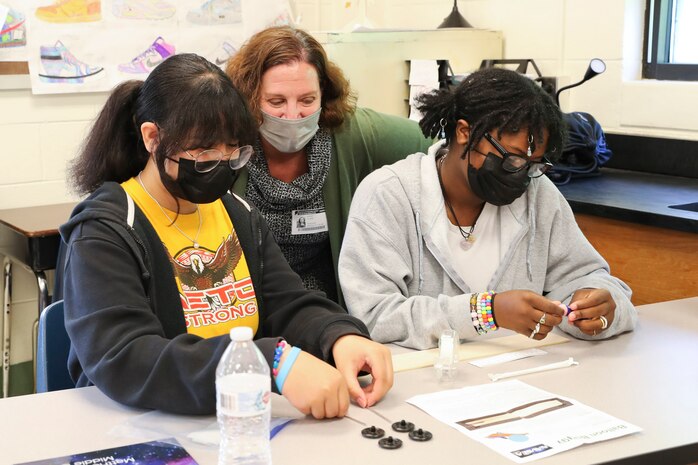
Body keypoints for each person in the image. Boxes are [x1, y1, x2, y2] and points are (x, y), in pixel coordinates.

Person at [57, 53, 393, 417]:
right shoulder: (106, 230)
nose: (221, 163)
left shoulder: (236, 212)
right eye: (203, 153)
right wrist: (268, 363)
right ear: (153, 138)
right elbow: (127, 357)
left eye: (233, 150)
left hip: (236, 418)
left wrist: (339, 335)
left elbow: (288, 301)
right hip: (140, 422)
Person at [338, 67, 637, 350]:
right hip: (419, 385)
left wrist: (601, 306)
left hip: (516, 378)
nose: (522, 174)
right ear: (464, 132)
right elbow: (375, 316)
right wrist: (485, 312)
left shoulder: (538, 195)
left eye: (534, 165)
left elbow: (587, 276)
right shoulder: (388, 196)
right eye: (513, 159)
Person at [225, 26, 431, 305]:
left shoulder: (350, 133)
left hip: (326, 306)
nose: (293, 115)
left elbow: (436, 144)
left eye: (307, 100)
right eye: (276, 101)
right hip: (249, 308)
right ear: (250, 97)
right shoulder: (227, 143)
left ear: (324, 93)